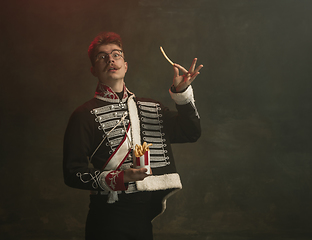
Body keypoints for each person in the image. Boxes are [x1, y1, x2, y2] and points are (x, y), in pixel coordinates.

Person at [63, 32, 203, 240]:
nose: (110, 59)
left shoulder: (152, 107)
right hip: (107, 214)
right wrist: (120, 177)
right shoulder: (83, 115)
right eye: (102, 56)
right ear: (93, 70)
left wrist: (181, 94)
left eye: (116, 54)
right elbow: (72, 173)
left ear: (125, 65)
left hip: (142, 214)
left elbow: (190, 132)